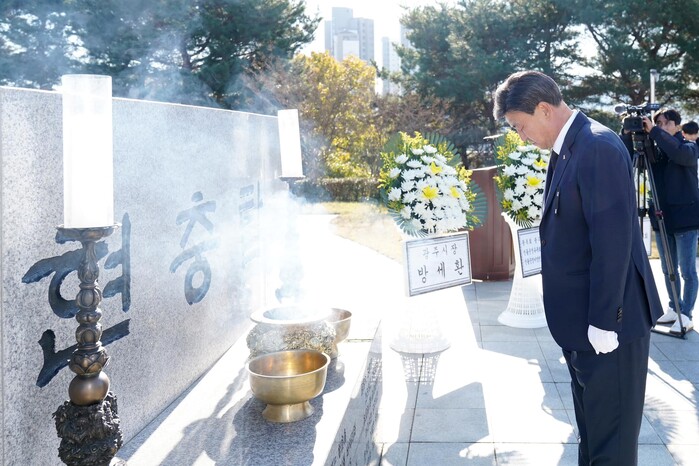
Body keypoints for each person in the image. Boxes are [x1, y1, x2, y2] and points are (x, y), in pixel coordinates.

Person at [493, 70, 662, 466]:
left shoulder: (596, 146)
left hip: (609, 328)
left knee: (611, 449)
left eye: (519, 126)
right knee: (593, 439)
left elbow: (612, 242)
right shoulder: (571, 146)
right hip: (583, 326)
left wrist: (604, 322)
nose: (521, 136)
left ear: (543, 109)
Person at [630, 109, 699, 333]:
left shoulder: (689, 147)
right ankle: (674, 307)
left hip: (685, 220)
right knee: (668, 269)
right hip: (662, 218)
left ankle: (686, 314)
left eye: (663, 123)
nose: (658, 127)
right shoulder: (657, 150)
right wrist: (631, 133)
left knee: (687, 271)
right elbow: (636, 160)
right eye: (656, 123)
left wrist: (655, 132)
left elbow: (678, 153)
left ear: (677, 126)